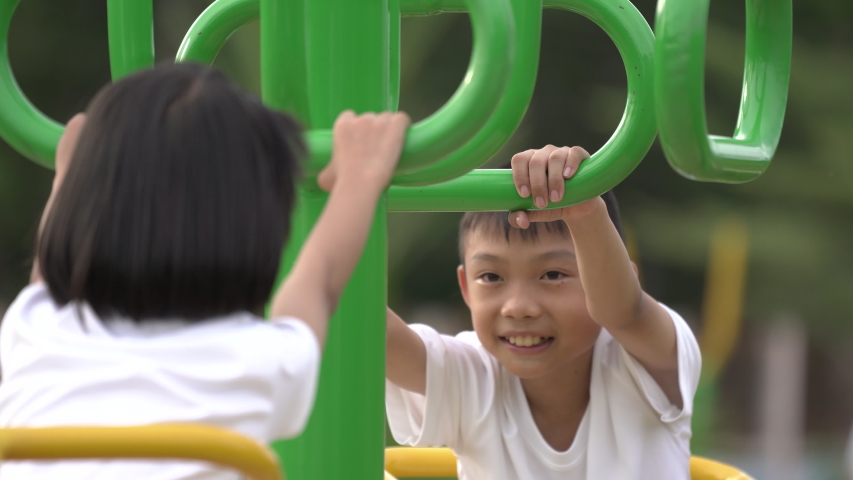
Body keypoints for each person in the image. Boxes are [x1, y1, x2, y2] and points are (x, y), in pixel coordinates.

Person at [0, 62, 410, 479]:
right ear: (254, 226)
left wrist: (68, 178)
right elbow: (317, 283)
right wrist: (361, 176)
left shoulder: (35, 330)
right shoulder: (256, 359)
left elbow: (47, 275)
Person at [385, 145, 702, 479]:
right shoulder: (470, 376)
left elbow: (624, 312)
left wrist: (586, 213)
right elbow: (372, 332)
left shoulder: (643, 365)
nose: (518, 307)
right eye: (491, 277)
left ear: (617, 276)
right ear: (466, 287)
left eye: (553, 275)